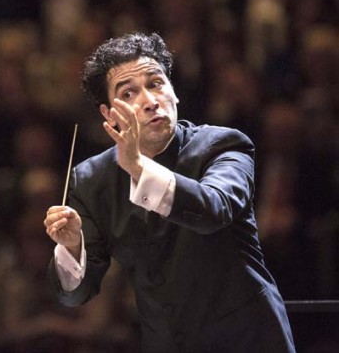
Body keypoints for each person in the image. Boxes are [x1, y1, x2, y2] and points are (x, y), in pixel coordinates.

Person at [43, 32, 296, 352]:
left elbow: (213, 210)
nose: (150, 101)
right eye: (129, 92)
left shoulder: (223, 145)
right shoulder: (91, 179)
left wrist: (137, 167)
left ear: (174, 92)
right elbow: (75, 294)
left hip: (247, 340)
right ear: (109, 115)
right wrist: (71, 246)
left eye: (156, 83)